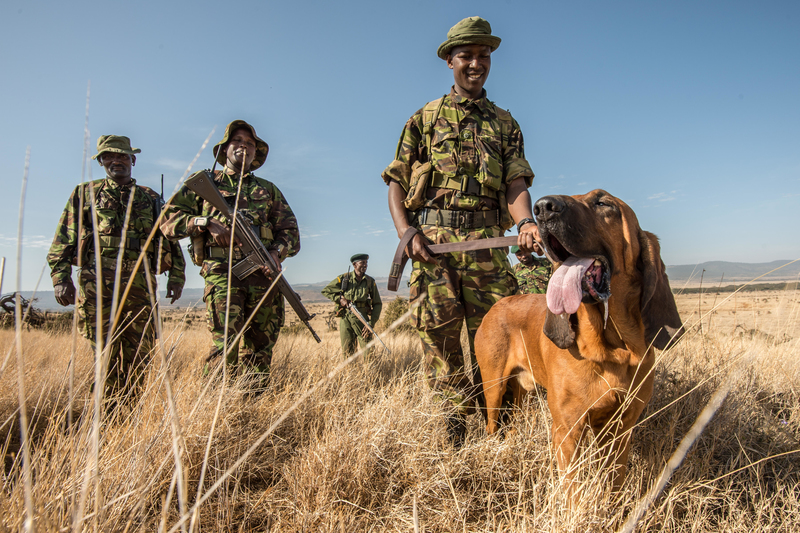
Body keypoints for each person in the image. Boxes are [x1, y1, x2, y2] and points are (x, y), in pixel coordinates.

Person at [381, 16, 542, 445]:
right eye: (466, 55)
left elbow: (516, 184)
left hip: (489, 250)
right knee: (441, 345)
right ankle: (453, 440)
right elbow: (396, 182)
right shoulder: (424, 118)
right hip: (433, 251)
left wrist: (525, 221)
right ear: (449, 61)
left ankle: (500, 439)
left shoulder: (505, 124)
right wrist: (405, 232)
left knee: (500, 347)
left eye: (484, 56)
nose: (476, 63)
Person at [47, 135, 185, 399]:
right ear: (100, 161)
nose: (116, 161)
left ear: (132, 160)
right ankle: (102, 416)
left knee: (139, 353)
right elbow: (64, 236)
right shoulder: (84, 193)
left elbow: (170, 238)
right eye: (109, 156)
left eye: (122, 156)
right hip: (96, 282)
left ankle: (129, 413)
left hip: (140, 283)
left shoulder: (150, 197)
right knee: (102, 353)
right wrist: (60, 277)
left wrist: (177, 276)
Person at [161, 120, 300, 379]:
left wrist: (275, 252)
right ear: (225, 149)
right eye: (237, 141)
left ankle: (254, 404)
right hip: (222, 274)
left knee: (261, 348)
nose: (243, 146)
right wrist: (204, 223)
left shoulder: (268, 190)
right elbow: (166, 222)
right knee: (224, 347)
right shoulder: (204, 184)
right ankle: (214, 404)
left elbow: (290, 232)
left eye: (249, 143)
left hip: (262, 275)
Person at [321, 254, 383, 357]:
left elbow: (377, 304)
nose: (365, 265)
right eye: (362, 263)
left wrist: (371, 323)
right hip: (346, 317)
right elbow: (326, 291)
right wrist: (340, 299)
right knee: (347, 350)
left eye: (366, 263)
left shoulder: (370, 281)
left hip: (362, 317)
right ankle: (350, 372)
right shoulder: (344, 278)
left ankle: (370, 371)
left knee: (368, 350)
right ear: (354, 264)